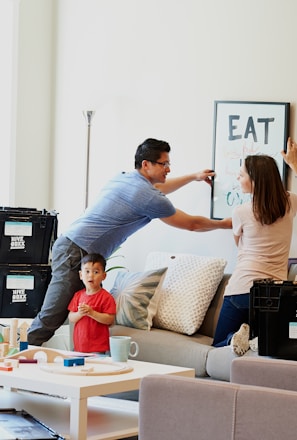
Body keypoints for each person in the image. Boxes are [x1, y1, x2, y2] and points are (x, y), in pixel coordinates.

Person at [28, 137, 232, 346]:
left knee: (64, 313)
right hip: (76, 252)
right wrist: (227, 223)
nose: (168, 169)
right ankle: (17, 361)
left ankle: (29, 355)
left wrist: (193, 177)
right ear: (146, 164)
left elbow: (160, 188)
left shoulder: (125, 178)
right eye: (164, 164)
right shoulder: (148, 197)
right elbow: (192, 224)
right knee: (53, 314)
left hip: (72, 246)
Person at [212, 137, 297, 356]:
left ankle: (238, 339)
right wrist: (294, 164)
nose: (238, 178)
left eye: (242, 174)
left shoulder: (241, 211)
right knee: (269, 344)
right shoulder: (290, 203)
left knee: (220, 342)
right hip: (275, 293)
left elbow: (239, 245)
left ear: (255, 180)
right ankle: (254, 340)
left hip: (241, 289)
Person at [67, 253, 116, 354]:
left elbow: (110, 319)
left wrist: (92, 313)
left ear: (104, 276)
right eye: (87, 271)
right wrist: (79, 314)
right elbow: (71, 317)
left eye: (96, 272)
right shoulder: (78, 296)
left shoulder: (106, 297)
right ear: (81, 275)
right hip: (79, 346)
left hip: (98, 348)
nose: (91, 275)